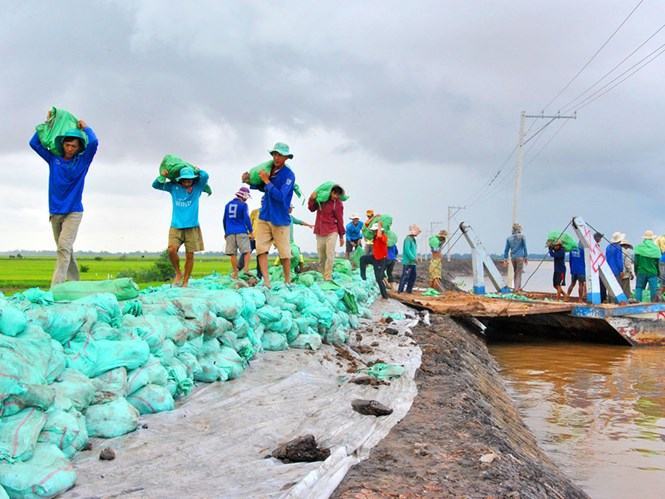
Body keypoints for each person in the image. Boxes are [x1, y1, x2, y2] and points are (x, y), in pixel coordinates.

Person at [29, 114, 99, 286]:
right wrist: (49, 122)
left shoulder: (82, 161)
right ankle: (74, 282)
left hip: (73, 211)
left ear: (78, 147)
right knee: (65, 249)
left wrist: (86, 128)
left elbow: (94, 142)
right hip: (55, 211)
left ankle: (56, 287)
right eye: (67, 145)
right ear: (62, 145)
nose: (69, 148)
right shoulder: (54, 159)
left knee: (63, 247)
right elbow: (33, 143)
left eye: (73, 146)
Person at [242, 142, 296, 287]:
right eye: (275, 154)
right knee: (261, 249)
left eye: (280, 155)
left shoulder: (289, 176)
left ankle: (287, 280)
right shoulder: (269, 170)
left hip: (280, 218)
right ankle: (266, 281)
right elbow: (263, 187)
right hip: (265, 215)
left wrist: (267, 181)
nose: (277, 158)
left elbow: (281, 196)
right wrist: (249, 181)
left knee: (284, 253)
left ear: (286, 158)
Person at [152, 166, 209, 287]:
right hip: (176, 226)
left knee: (190, 255)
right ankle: (178, 272)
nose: (187, 182)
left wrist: (197, 170)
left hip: (192, 226)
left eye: (190, 180)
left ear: (193, 180)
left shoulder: (198, 188)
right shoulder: (174, 187)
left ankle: (186, 281)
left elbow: (205, 176)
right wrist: (163, 176)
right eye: (185, 180)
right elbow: (155, 185)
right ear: (180, 180)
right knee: (171, 249)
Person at [308, 185, 345, 280]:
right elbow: (311, 208)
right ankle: (322, 274)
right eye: (334, 193)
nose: (335, 196)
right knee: (321, 254)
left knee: (330, 253)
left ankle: (328, 276)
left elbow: (340, 219)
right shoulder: (322, 199)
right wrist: (311, 199)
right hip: (320, 230)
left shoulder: (338, 204)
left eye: (338, 194)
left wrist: (341, 236)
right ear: (330, 192)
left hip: (332, 230)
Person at [223, 186, 253, 279]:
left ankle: (235, 272)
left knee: (233, 254)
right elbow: (247, 218)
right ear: (244, 196)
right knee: (247, 251)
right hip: (241, 231)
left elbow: (224, 220)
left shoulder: (227, 205)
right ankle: (246, 269)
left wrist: (226, 232)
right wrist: (251, 231)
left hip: (230, 232)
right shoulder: (243, 205)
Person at [360, 222, 389, 299]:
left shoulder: (383, 237)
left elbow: (379, 235)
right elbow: (367, 234)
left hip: (380, 260)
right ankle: (363, 276)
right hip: (374, 257)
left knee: (378, 279)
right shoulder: (375, 237)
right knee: (363, 259)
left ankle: (385, 296)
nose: (374, 232)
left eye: (375, 231)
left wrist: (379, 226)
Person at [634, 230, 661, 303]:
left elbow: (636, 262)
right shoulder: (656, 249)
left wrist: (636, 271)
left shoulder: (639, 248)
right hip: (653, 272)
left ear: (644, 239)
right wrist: (658, 273)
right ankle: (653, 304)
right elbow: (657, 264)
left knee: (639, 288)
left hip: (641, 271)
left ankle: (637, 303)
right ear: (652, 239)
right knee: (653, 289)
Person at [503, 223, 528, 291]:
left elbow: (506, 250)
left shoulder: (509, 238)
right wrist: (526, 257)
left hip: (513, 257)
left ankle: (516, 287)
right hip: (520, 257)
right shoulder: (522, 237)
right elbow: (525, 247)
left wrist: (505, 259)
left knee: (515, 273)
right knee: (519, 273)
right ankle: (517, 289)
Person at [398, 225, 420, 293]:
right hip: (408, 262)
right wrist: (413, 258)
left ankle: (409, 290)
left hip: (412, 262)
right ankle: (400, 291)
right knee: (405, 276)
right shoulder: (407, 239)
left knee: (413, 276)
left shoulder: (413, 240)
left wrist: (414, 259)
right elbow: (407, 250)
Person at [606, 232, 624, 300]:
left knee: (610, 286)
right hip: (616, 270)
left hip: (608, 269)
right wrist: (621, 270)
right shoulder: (618, 247)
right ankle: (617, 301)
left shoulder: (608, 247)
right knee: (618, 287)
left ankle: (610, 301)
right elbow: (619, 259)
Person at [593, 231, 607, 303]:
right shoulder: (595, 246)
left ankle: (602, 298)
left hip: (598, 268)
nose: (601, 239)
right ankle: (602, 298)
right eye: (600, 238)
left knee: (601, 283)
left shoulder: (596, 245)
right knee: (601, 284)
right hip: (597, 268)